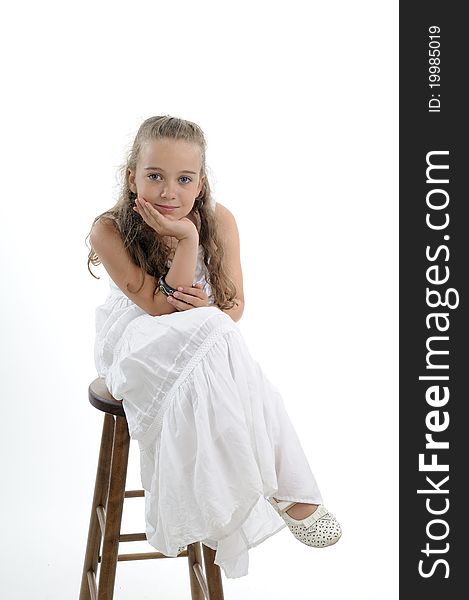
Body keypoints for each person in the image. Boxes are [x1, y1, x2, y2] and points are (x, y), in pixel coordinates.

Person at [86, 115, 342, 580]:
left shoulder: (220, 219)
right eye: (155, 177)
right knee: (214, 329)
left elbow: (235, 305)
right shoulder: (108, 229)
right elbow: (157, 309)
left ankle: (257, 477)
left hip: (204, 344)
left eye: (184, 179)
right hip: (136, 344)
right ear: (132, 177)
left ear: (200, 183)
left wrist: (209, 311)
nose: (169, 193)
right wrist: (186, 239)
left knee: (217, 327)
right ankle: (280, 481)